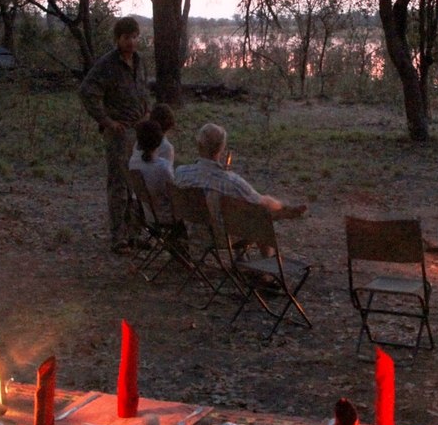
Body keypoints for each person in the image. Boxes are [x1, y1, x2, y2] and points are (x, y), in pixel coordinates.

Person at [79, 17, 151, 253]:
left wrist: (147, 112)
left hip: (139, 131)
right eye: (127, 38)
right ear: (118, 39)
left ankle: (134, 233)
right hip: (119, 133)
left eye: (135, 37)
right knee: (119, 184)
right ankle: (118, 237)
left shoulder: (139, 61)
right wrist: (106, 121)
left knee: (137, 183)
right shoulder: (107, 64)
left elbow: (143, 90)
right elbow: (87, 92)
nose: (132, 42)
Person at [173, 123, 306, 224]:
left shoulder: (181, 173)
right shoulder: (231, 182)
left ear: (199, 146)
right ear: (222, 148)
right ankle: (269, 258)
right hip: (221, 237)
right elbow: (259, 201)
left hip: (188, 231)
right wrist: (281, 206)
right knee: (262, 216)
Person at [129, 119, 175, 222]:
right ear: (159, 141)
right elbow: (173, 194)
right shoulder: (163, 167)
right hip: (165, 217)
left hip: (146, 215)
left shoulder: (133, 163)